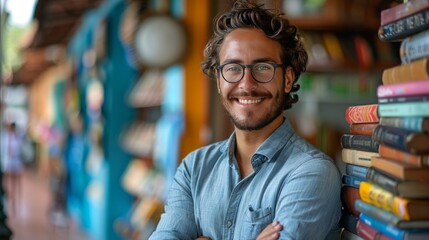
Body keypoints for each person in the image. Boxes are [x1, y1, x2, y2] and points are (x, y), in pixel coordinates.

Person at [149, 1, 342, 239]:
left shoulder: (312, 172)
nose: (247, 84)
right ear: (219, 80)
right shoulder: (194, 168)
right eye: (233, 68)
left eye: (262, 67)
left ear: (288, 79)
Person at [1, 122, 25, 215]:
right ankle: (10, 196)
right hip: (9, 162)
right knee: (8, 181)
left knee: (16, 181)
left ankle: (17, 196)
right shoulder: (5, 137)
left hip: (16, 161)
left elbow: (19, 149)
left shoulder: (18, 138)